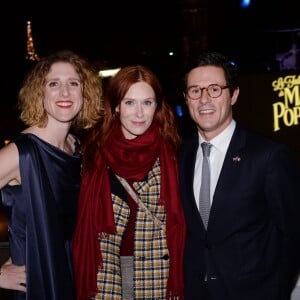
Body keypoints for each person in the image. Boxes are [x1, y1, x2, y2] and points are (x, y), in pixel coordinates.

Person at [179, 51, 300, 300]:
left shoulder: (268, 156)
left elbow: (292, 236)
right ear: (186, 99)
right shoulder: (181, 155)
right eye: (195, 90)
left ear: (233, 95)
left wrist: (276, 292)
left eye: (214, 89)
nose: (204, 99)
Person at [72, 65, 186, 300]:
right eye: (129, 102)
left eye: (147, 103)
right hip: (106, 279)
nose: (139, 113)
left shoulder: (173, 155)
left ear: (157, 107)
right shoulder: (92, 156)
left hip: (158, 278)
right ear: (115, 106)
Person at [0, 49, 103, 299]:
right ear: (40, 92)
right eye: (54, 84)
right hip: (36, 285)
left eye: (73, 83)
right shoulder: (19, 153)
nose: (65, 92)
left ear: (85, 93)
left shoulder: (77, 148)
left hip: (71, 278)